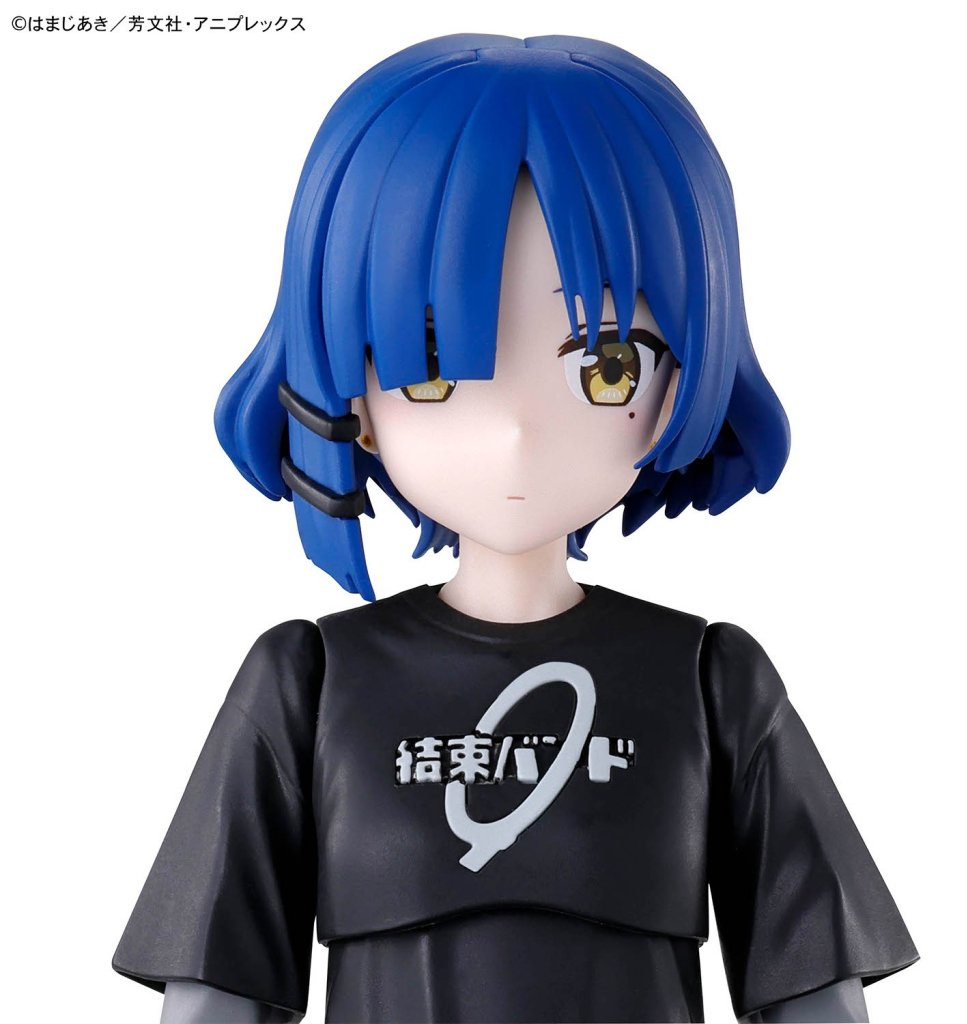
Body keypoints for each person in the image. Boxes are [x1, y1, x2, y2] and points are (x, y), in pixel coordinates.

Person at [113, 35, 918, 1023]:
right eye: (431, 369)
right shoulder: (309, 682)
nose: (516, 432)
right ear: (352, 395)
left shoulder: (710, 680)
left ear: (681, 381)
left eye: (607, 369)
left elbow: (812, 992)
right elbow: (217, 993)